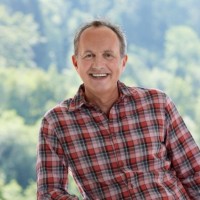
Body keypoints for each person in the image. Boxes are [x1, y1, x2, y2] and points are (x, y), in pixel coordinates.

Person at [36, 19, 200, 200]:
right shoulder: (56, 122)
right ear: (76, 63)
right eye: (89, 55)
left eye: (108, 55)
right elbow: (49, 193)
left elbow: (194, 172)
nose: (98, 64)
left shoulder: (157, 103)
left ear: (123, 62)